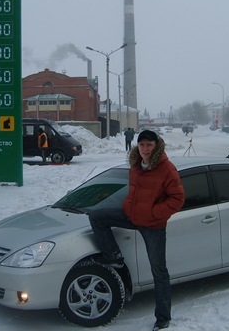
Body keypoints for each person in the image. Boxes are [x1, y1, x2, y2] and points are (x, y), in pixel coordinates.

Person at [89, 129, 185, 331]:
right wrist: (129, 206)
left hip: (153, 225)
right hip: (132, 216)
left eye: (149, 145)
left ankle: (163, 317)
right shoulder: (135, 166)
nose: (145, 148)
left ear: (156, 146)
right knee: (97, 216)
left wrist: (153, 212)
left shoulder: (166, 168)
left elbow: (177, 199)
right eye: (142, 145)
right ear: (137, 146)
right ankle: (113, 257)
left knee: (159, 272)